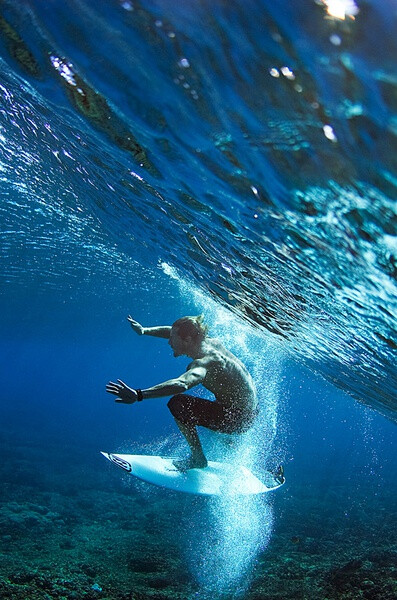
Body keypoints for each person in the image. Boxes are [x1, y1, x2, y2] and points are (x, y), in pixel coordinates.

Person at [106, 315, 259, 472]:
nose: (169, 342)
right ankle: (228, 441)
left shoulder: (205, 362)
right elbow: (171, 331)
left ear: (187, 340)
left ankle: (198, 458)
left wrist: (139, 395)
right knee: (216, 405)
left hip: (237, 418)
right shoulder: (206, 341)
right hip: (248, 412)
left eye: (172, 339)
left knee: (179, 404)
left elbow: (182, 384)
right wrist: (144, 331)